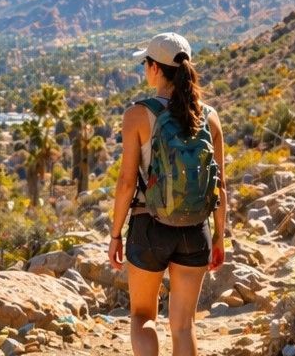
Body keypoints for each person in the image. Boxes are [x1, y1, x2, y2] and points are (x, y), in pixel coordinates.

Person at [108, 32, 227, 356]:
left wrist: (116, 234)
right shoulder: (210, 117)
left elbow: (126, 183)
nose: (144, 69)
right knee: (184, 326)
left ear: (156, 69)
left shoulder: (137, 114)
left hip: (150, 227)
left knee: (143, 317)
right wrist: (219, 237)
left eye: (145, 63)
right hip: (194, 230)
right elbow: (219, 185)